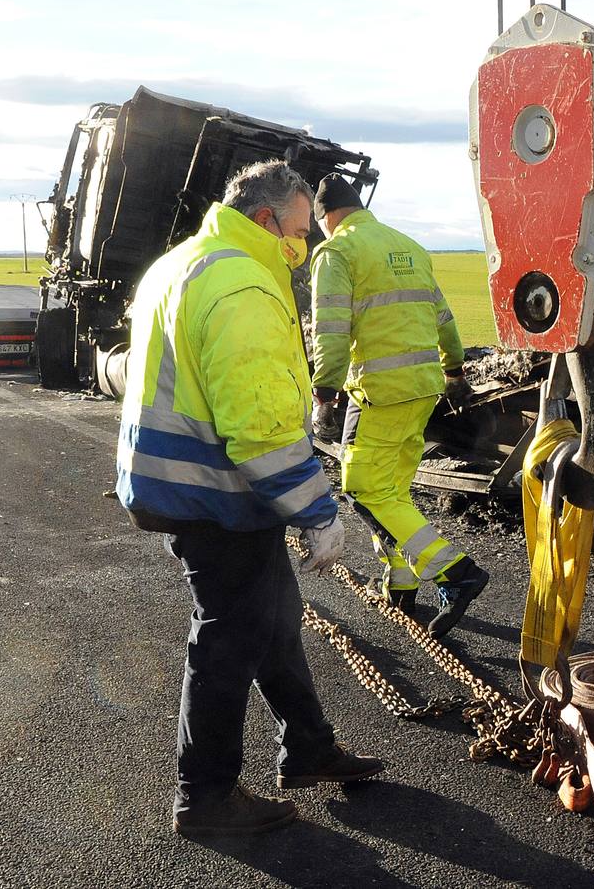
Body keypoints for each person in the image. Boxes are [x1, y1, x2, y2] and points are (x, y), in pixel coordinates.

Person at [116, 161, 384, 838]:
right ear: (267, 220)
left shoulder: (185, 261)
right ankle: (202, 798)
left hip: (177, 478)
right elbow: (258, 430)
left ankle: (308, 746)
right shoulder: (241, 282)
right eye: (299, 232)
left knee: (273, 613)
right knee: (229, 635)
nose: (304, 246)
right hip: (214, 493)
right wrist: (318, 512)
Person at [309, 174, 488, 638]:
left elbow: (329, 330)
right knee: (393, 489)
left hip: (378, 392)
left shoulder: (336, 253)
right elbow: (443, 316)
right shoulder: (407, 246)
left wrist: (324, 395)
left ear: (326, 218)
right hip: (423, 387)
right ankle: (402, 584)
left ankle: (455, 571)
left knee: (363, 488)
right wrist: (454, 372)